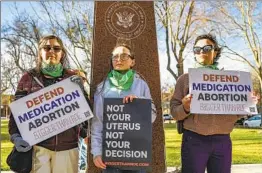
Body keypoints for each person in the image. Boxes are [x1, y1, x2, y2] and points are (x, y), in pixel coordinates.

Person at [8, 35, 90, 173]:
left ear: (62, 53)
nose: (51, 51)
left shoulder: (72, 78)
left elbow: (86, 110)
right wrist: (15, 137)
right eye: (47, 47)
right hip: (37, 148)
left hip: (68, 148)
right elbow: (17, 113)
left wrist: (85, 133)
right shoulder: (28, 77)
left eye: (56, 48)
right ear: (40, 52)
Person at [170, 34, 248, 173]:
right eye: (197, 49)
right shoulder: (184, 79)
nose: (201, 51)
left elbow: (238, 113)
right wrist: (185, 108)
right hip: (194, 139)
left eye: (206, 48)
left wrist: (248, 103)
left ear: (215, 51)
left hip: (222, 140)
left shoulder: (231, 80)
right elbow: (175, 113)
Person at [91, 42, 157, 173]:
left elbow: (153, 117)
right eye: (115, 56)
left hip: (136, 153)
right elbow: (97, 123)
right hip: (111, 154)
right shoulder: (102, 88)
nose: (119, 59)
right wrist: (96, 152)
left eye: (124, 56)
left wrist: (140, 105)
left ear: (132, 62)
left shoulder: (142, 85)